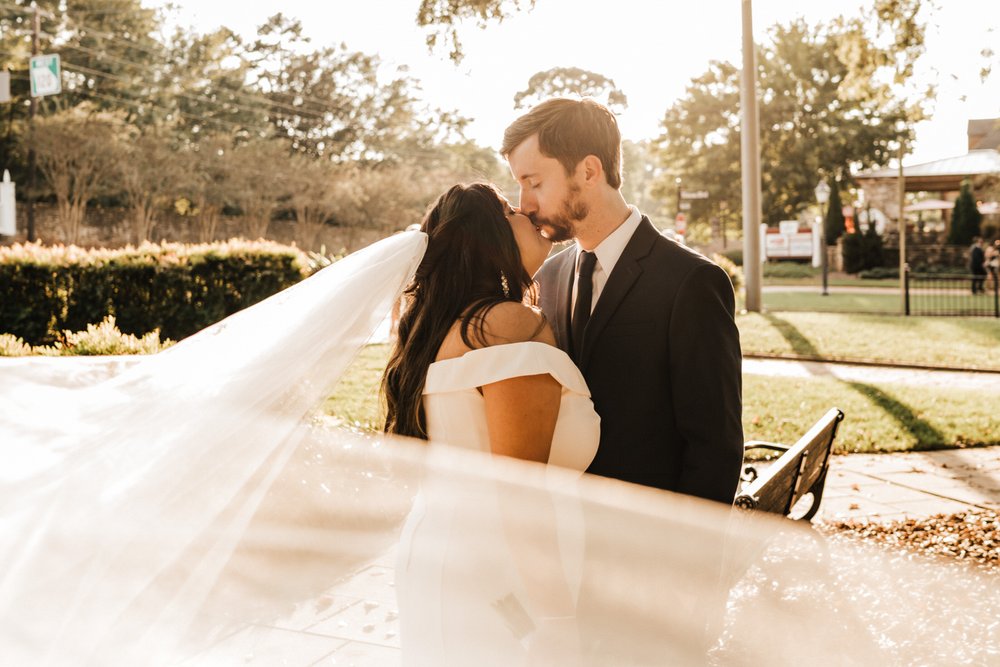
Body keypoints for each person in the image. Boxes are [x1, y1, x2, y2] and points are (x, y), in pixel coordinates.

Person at [380, 182, 602, 664]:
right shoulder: (508, 326)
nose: (526, 210)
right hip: (503, 582)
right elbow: (519, 494)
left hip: (448, 559)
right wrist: (557, 621)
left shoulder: (434, 326)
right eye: (509, 210)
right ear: (489, 237)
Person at [501, 98, 743, 505]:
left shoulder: (692, 282)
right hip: (565, 542)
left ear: (589, 171)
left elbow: (714, 447)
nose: (524, 204)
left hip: (651, 546)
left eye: (534, 182)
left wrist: (689, 559)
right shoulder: (549, 278)